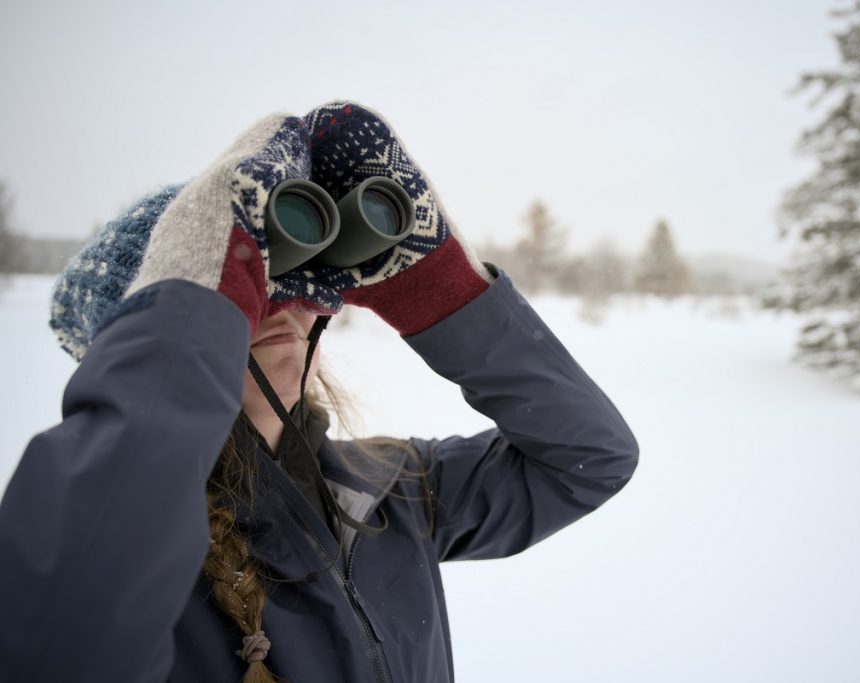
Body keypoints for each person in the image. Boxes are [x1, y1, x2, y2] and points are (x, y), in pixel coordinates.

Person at [0, 101, 639, 682]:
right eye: (250, 286)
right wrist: (200, 297)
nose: (284, 303)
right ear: (162, 331)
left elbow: (587, 459)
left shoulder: (394, 489)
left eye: (301, 282)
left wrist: (445, 295)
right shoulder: (135, 550)